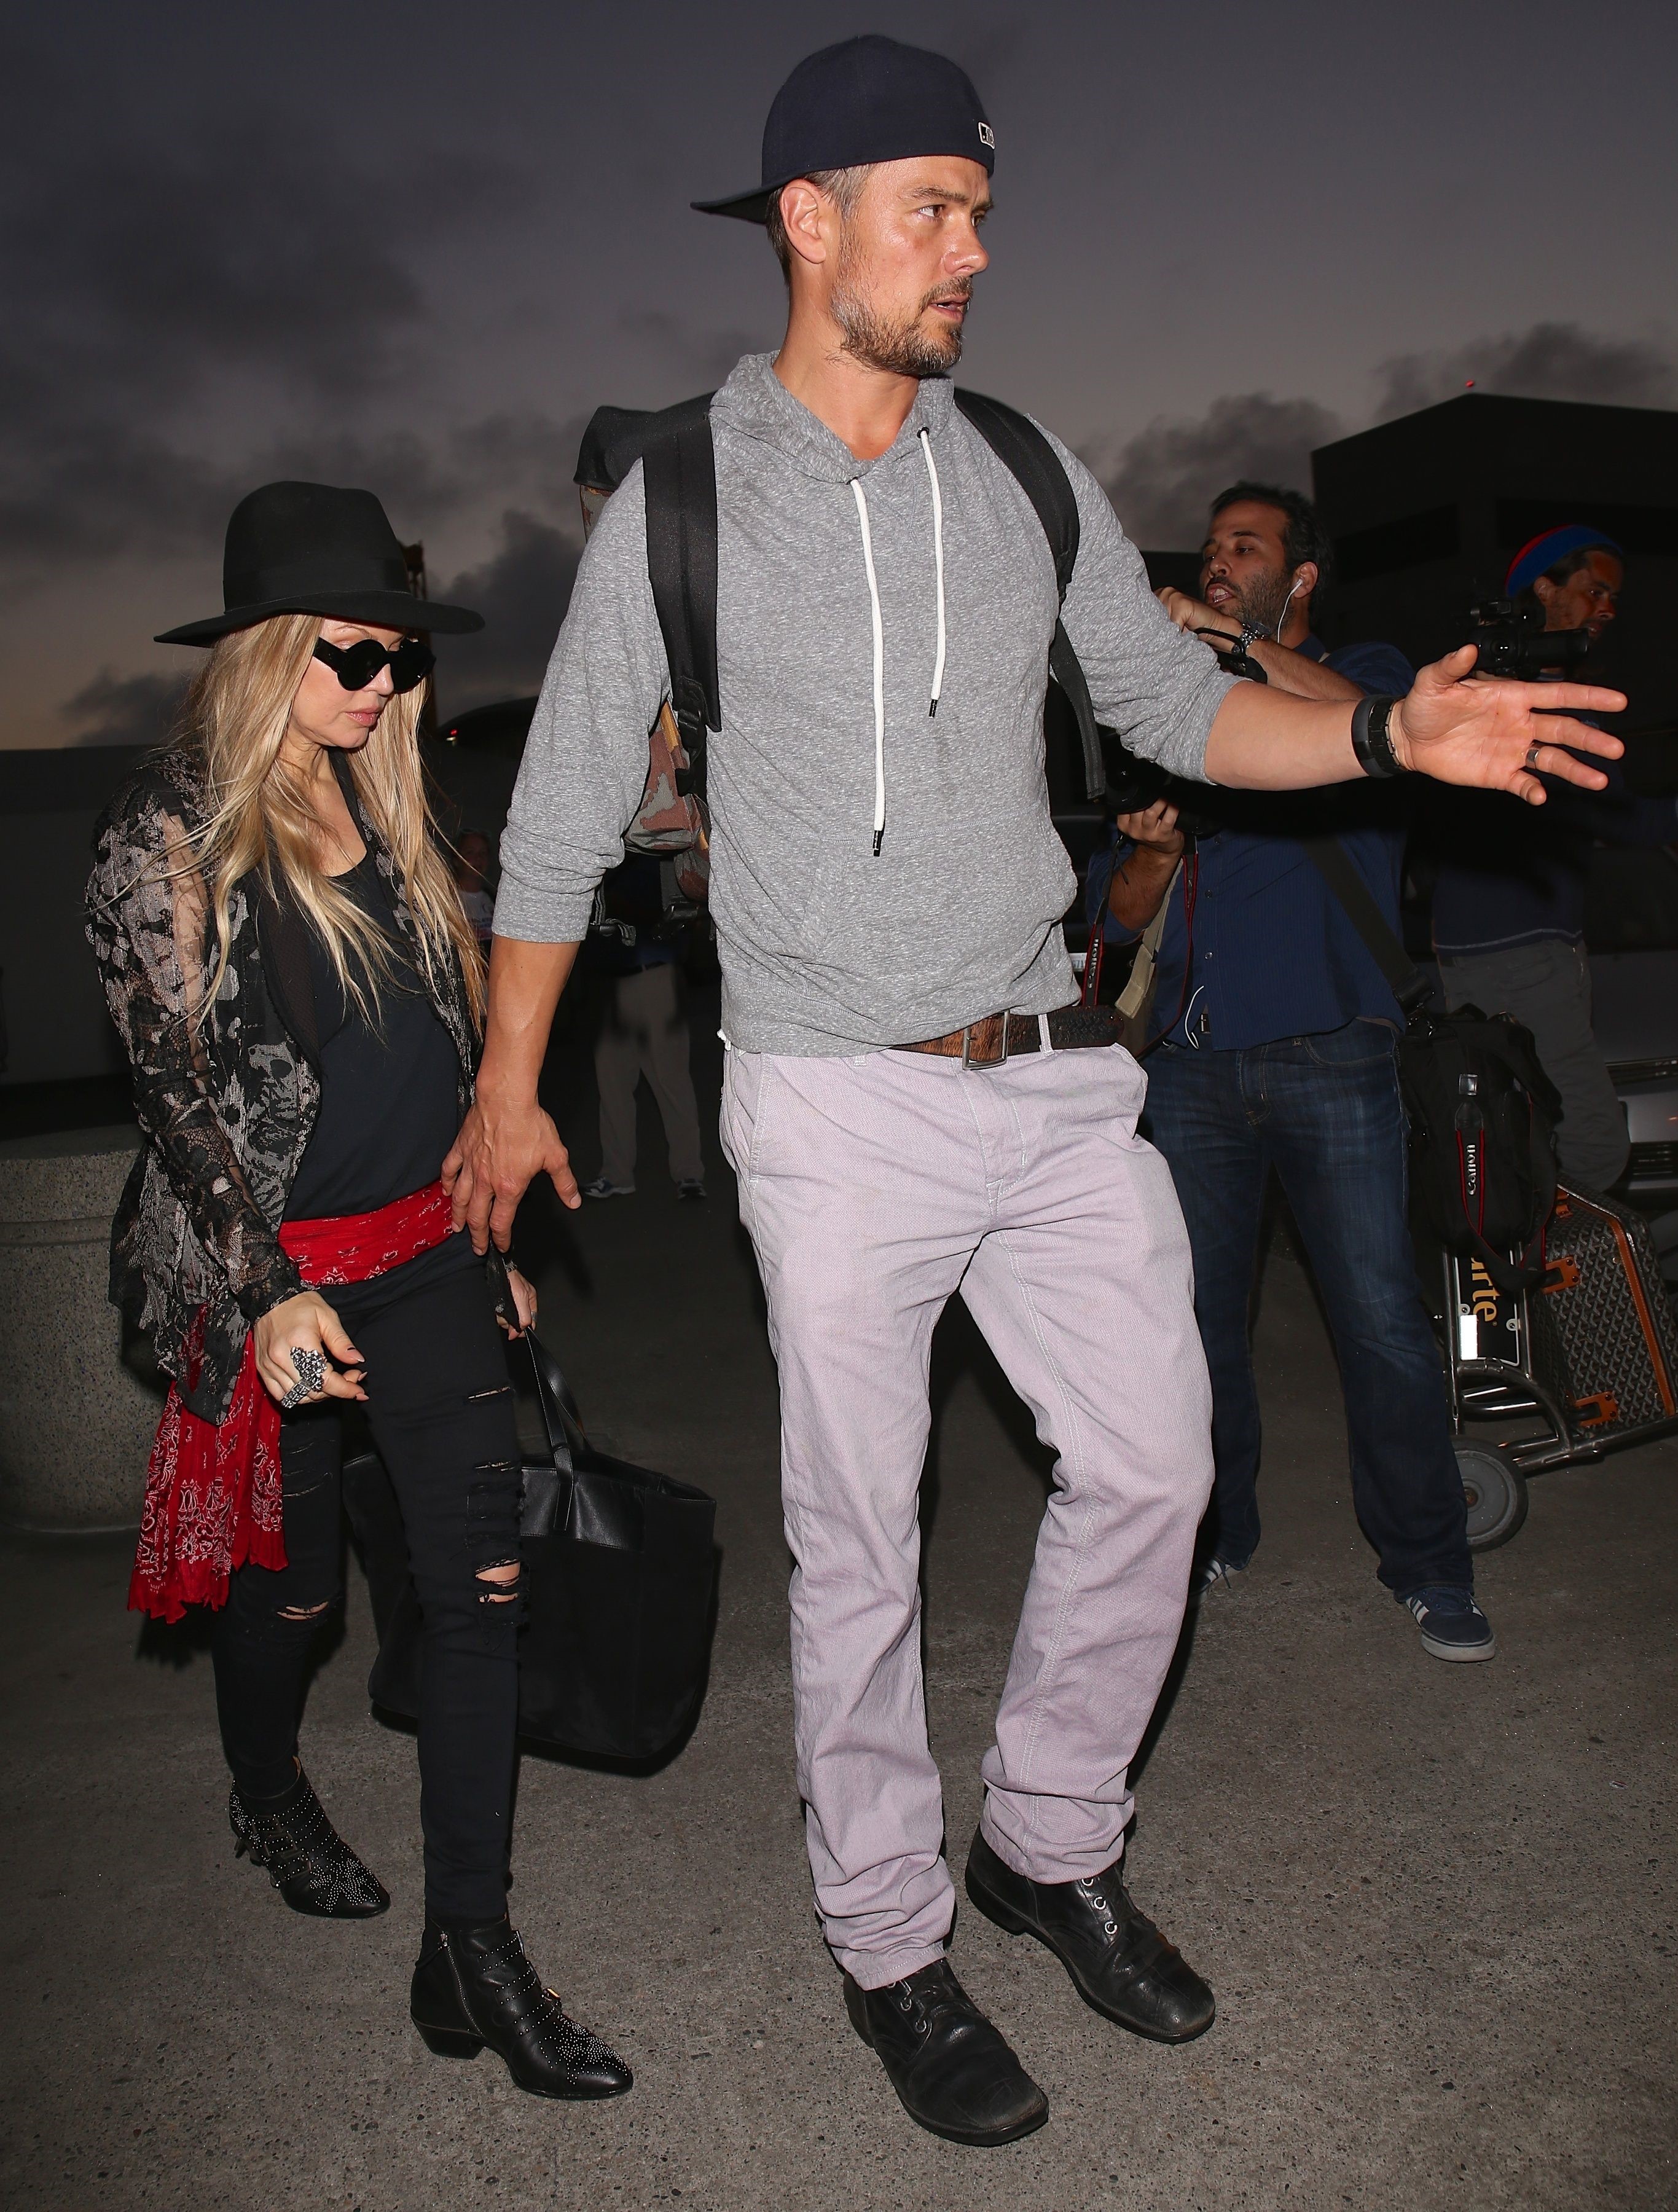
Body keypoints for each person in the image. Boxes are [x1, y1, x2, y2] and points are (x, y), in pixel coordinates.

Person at [441, 39, 1622, 2148]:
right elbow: (555, 819)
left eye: (981, 212)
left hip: (1057, 1078)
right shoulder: (682, 503)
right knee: (860, 1546)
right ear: (810, 222)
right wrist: (514, 1086)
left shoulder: (1019, 464)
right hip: (833, 1100)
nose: (972, 249)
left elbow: (1175, 706)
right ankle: (889, 1939)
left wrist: (1378, 739)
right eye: (934, 209)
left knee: (1156, 1468)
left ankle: (1048, 1841)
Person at [85, 480, 630, 2104]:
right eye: (351, 655)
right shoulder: (165, 832)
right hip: (277, 1286)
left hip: (421, 1262)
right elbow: (177, 1096)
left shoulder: (388, 800)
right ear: (265, 649)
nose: (384, 686)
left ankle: (471, 1942)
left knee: (479, 1594)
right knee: (295, 1601)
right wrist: (260, 1292)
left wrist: (487, 1234)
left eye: (400, 658)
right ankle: (267, 1792)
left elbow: (445, 1054)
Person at [1106, 482, 1496, 1660]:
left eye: (1245, 545)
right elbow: (1119, 922)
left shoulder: (1355, 674)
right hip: (1192, 1067)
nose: (1218, 559)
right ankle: (1217, 1532)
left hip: (1335, 1048)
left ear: (1301, 576)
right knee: (1196, 1326)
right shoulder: (1176, 714)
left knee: (1379, 1323)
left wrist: (1228, 641)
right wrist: (1149, 860)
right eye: (1211, 547)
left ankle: (1429, 1564)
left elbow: (1381, 724)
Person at [1430, 526, 1678, 1190]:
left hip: (1530, 946)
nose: (1606, 608)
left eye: (1613, 598)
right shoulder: (1507, 696)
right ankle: (1556, 1254)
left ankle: (1525, 1247)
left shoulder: (1556, 693)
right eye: (1594, 591)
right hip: (1515, 951)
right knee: (1591, 1145)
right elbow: (1617, 816)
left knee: (1525, 1135)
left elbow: (1615, 817)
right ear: (1544, 588)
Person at [579, 852, 707, 1200]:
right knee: (613, 1085)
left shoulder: (648, 853)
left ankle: (689, 1173)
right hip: (609, 982)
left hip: (655, 976)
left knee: (672, 1080)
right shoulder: (599, 852)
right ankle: (616, 1173)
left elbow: (661, 908)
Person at [453, 828, 498, 946]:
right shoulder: (448, 901)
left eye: (483, 853)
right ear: (457, 859)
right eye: (470, 852)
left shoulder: (497, 900)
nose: (478, 858)